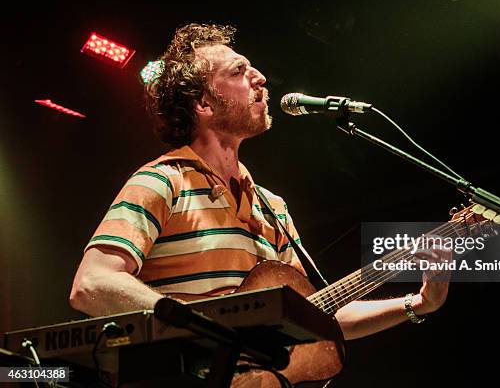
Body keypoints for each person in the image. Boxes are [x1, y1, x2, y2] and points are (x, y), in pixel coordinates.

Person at [69, 23, 449, 341]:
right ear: (203, 103)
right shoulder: (162, 181)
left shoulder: (273, 207)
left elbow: (315, 314)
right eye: (237, 71)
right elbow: (92, 283)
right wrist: (203, 327)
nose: (260, 78)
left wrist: (418, 303)